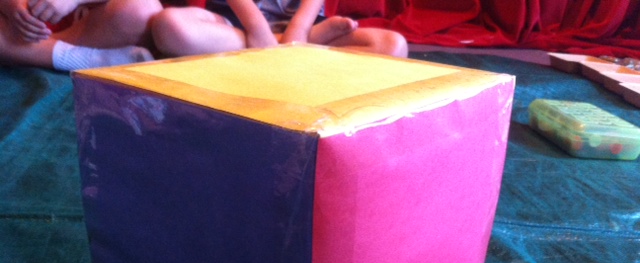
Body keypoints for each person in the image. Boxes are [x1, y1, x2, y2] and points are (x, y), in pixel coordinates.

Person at [151, 0, 408, 59]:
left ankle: (299, 42)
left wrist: (300, 29)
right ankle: (298, 46)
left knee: (393, 46)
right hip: (237, 27)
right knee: (169, 26)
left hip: (304, 26)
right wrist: (258, 31)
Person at [0, 0, 164, 71]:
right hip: (13, 30)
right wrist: (11, 5)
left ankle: (25, 53)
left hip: (85, 29)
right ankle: (88, 59)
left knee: (142, 9)